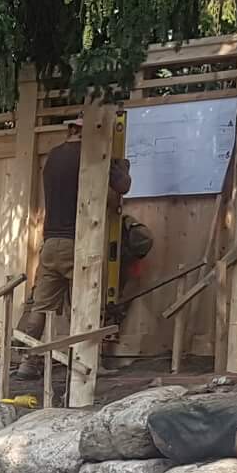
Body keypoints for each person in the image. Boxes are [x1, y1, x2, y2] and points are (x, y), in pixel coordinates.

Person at [30, 119, 152, 335]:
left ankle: (26, 364)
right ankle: (84, 363)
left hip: (50, 245)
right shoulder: (92, 157)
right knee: (87, 306)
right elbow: (123, 186)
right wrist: (120, 166)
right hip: (77, 246)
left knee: (40, 308)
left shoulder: (53, 157)